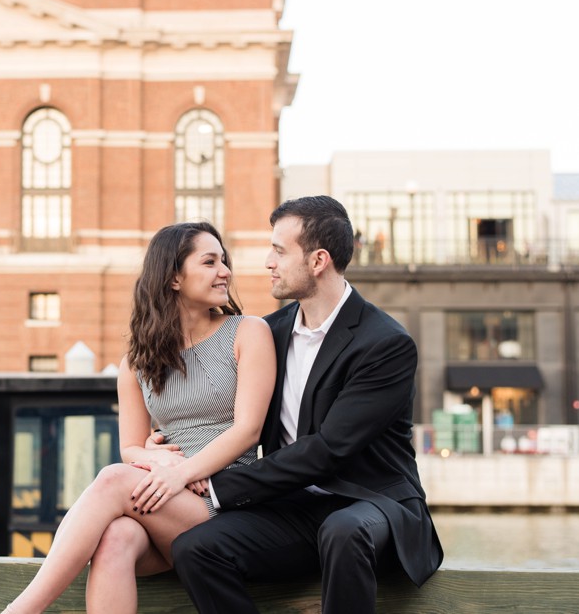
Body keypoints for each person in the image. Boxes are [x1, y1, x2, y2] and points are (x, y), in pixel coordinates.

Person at [168, 196, 443, 613]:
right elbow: (221, 411)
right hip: (294, 507)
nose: (267, 262)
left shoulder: (385, 343)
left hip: (371, 504)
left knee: (342, 531)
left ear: (318, 261)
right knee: (195, 548)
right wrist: (163, 447)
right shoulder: (269, 333)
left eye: (279, 251)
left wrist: (218, 486)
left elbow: (329, 450)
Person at [3, 221, 276, 613]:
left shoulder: (248, 332)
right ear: (174, 278)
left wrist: (181, 471)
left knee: (113, 478)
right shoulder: (136, 361)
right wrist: (157, 459)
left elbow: (248, 429)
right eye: (210, 262)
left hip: (225, 502)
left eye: (224, 261)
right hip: (166, 499)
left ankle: (21, 610)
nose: (225, 271)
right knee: (115, 537)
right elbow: (130, 446)